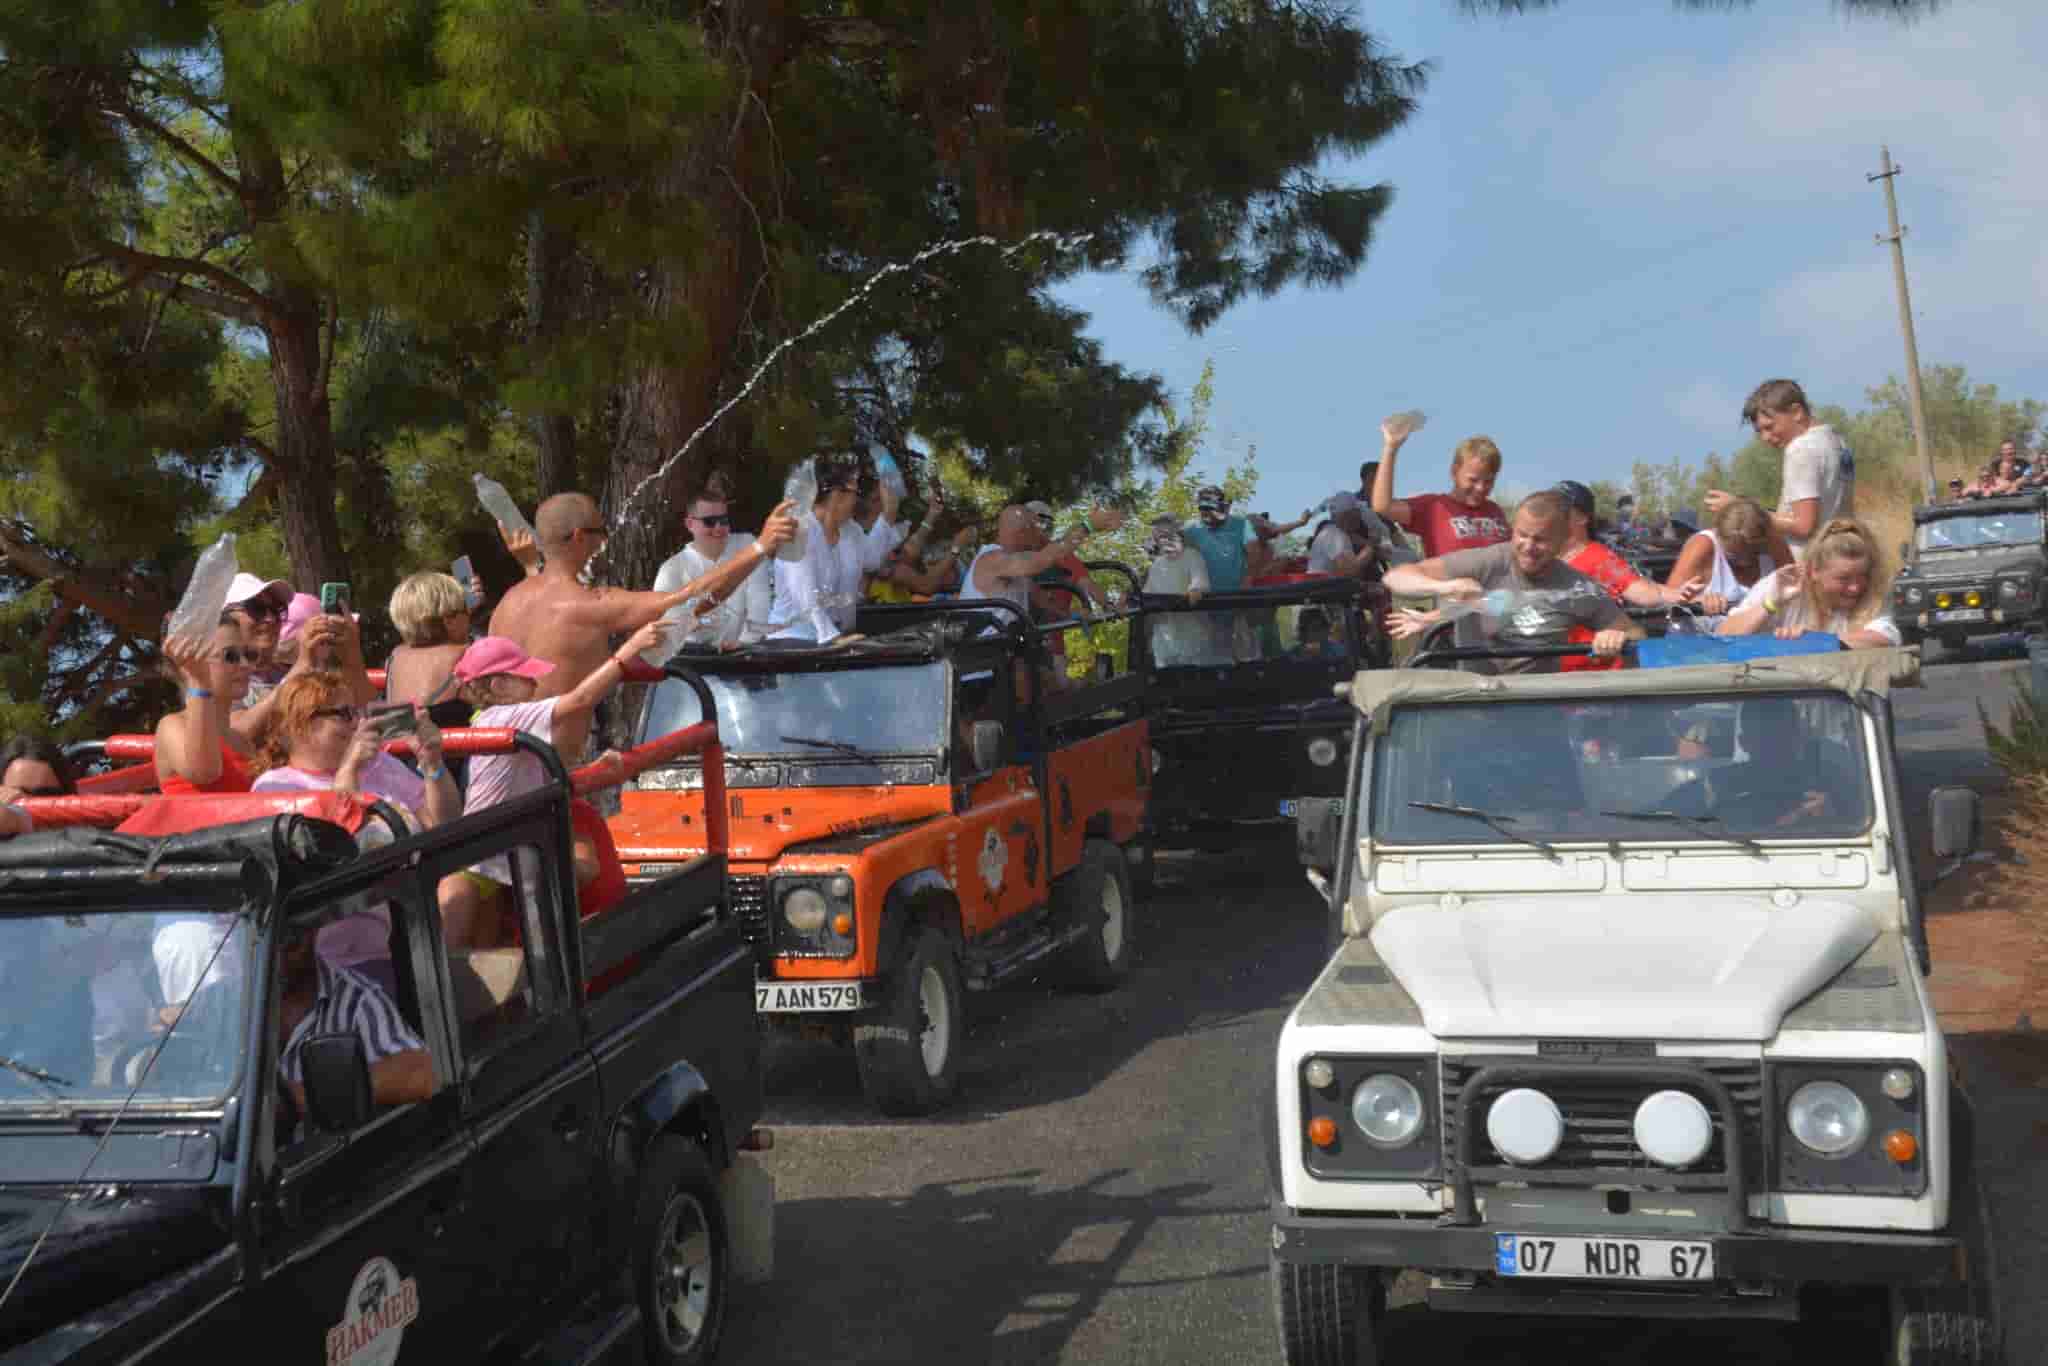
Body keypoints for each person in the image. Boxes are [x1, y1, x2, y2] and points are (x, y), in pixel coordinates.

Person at [490, 490, 796, 759]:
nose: (605, 541)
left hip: (493, 757)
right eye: (601, 530)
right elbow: (693, 597)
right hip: (547, 772)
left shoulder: (507, 602)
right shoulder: (589, 605)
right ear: (580, 537)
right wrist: (761, 547)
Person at [436, 627, 666, 949]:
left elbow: (536, 777)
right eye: (525, 677)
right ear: (499, 685)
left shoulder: (493, 717)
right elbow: (581, 699)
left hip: (494, 847)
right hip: (495, 849)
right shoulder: (506, 716)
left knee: (486, 946)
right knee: (507, 938)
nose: (534, 682)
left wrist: (593, 770)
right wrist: (628, 651)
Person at [1381, 491, 1642, 674]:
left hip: (1532, 710)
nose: (1528, 547)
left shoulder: (1579, 588)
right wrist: (1445, 588)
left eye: (1540, 540)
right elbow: (1396, 577)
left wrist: (1616, 636)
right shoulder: (1488, 561)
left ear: (1562, 540)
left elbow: (1636, 635)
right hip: (1471, 704)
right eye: (1522, 535)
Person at [276, 928, 436, 1133]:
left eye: (290, 944)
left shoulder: (358, 1000)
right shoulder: (228, 1002)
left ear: (313, 932)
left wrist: (306, 1096)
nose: (277, 960)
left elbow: (419, 1072)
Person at [1704, 379, 1853, 562]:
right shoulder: (1836, 441)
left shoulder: (1800, 449)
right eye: (1759, 431)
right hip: (1837, 555)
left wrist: (1739, 509)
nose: (1766, 437)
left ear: (1796, 412)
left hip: (1804, 563)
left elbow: (1804, 526)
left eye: (1769, 427)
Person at [1660, 698, 1856, 832]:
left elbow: (1867, 829)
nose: (1773, 745)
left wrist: (1832, 814)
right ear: (1745, 742)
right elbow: (1660, 821)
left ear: (1798, 738)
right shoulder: (1719, 783)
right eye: (1763, 738)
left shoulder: (1828, 780)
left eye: (1781, 736)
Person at [223, 575, 376, 743]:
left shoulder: (288, 670)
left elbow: (362, 712)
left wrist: (352, 652)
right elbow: (238, 734)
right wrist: (300, 667)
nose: (270, 618)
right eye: (256, 608)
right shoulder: (218, 671)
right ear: (224, 617)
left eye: (278, 610)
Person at [1717, 517, 1900, 649]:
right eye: (1843, 579)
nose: (1855, 588)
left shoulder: (1873, 593)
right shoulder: (1783, 584)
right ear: (1814, 571)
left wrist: (1816, 641)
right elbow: (1724, 637)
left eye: (1863, 576)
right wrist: (1770, 604)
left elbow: (1886, 639)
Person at [768, 461, 899, 644]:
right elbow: (805, 600)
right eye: (856, 492)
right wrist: (834, 639)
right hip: (792, 642)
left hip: (835, 640)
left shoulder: (850, 530)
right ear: (837, 495)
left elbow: (872, 559)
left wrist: (889, 512)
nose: (857, 500)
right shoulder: (798, 532)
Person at [647, 480, 776, 651]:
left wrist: (745, 642)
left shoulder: (747, 546)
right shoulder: (671, 570)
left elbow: (760, 599)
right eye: (710, 521)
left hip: (747, 654)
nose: (719, 528)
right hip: (694, 657)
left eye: (723, 520)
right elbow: (664, 627)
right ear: (690, 524)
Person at [1549, 481, 1704, 612]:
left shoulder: (1598, 558)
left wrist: (1683, 596)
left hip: (1584, 646)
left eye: (1560, 508)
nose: (1551, 513)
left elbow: (1644, 593)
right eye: (1548, 507)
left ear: (1582, 518)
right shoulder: (1542, 554)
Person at [156, 614, 262, 794]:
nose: (246, 665)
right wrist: (199, 680)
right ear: (185, 664)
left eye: (248, 654)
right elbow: (204, 772)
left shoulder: (241, 740)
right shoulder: (172, 726)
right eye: (230, 656)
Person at [1371, 422, 1509, 559]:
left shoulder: (1495, 511)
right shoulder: (1432, 507)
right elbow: (1383, 506)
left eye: (1488, 481)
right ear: (1454, 471)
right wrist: (1391, 448)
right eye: (1473, 480)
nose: (1480, 488)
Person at [1663, 496, 1784, 630]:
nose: (1743, 561)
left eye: (1752, 552)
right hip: (1696, 643)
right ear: (1719, 536)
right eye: (1733, 554)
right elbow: (1667, 602)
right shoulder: (1703, 545)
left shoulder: (1775, 545)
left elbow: (1796, 599)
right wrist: (1697, 601)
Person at [385, 572, 478, 732]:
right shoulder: (465, 655)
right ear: (449, 621)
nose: (470, 614)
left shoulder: (394, 658)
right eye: (466, 608)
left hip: (401, 755)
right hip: (453, 754)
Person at [1182, 486, 1269, 591]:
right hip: (1201, 595)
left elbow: (1254, 552)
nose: (1206, 513)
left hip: (1234, 594)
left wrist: (1248, 578)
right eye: (1203, 508)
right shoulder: (1190, 530)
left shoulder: (1241, 525)